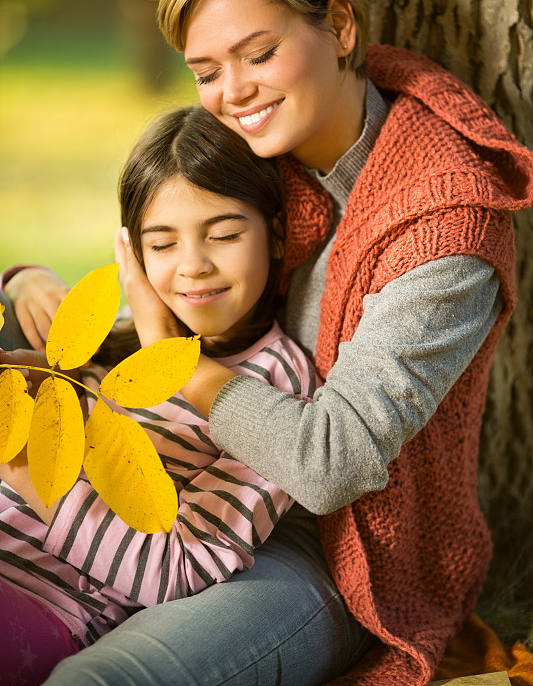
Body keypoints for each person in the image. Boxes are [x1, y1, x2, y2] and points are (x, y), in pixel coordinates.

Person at [3, 0, 533, 686]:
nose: (233, 92)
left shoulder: (444, 234)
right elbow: (182, 279)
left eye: (258, 53)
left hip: (333, 549)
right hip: (185, 491)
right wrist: (29, 284)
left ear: (341, 26)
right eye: (206, 70)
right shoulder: (259, 158)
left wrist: (167, 359)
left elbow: (329, 466)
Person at [0, 105, 331, 684]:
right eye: (162, 244)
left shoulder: (276, 387)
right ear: (132, 252)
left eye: (224, 234)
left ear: (276, 235)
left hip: (48, 606)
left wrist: (31, 464)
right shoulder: (116, 333)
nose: (194, 267)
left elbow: (175, 570)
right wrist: (23, 279)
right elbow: (25, 315)